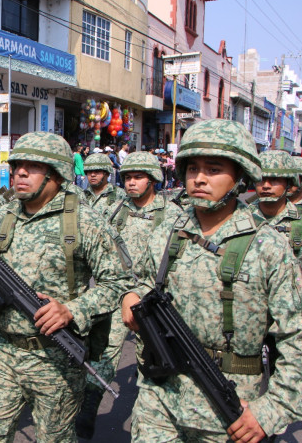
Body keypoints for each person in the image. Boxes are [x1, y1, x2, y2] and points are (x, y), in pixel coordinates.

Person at [120, 119, 302, 441]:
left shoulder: (267, 247)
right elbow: (146, 280)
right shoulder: (169, 233)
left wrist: (269, 412)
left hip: (226, 410)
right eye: (192, 169)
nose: (199, 178)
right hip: (158, 399)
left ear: (240, 176)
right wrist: (131, 296)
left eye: (213, 169)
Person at [0, 132, 131, 442]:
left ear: (56, 173)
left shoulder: (83, 221)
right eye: (17, 166)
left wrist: (71, 310)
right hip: (1, 350)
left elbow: (120, 283)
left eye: (32, 166)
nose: (20, 173)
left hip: (55, 359)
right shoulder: (3, 215)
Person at [75, 150, 181, 438]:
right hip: (118, 295)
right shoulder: (117, 208)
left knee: (151, 364)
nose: (131, 183)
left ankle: (146, 424)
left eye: (138, 177)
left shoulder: (172, 214)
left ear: (154, 179)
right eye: (128, 177)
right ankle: (87, 415)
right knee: (103, 356)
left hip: (152, 303)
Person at [251, 150, 302, 320]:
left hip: (292, 317)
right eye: (260, 179)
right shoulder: (239, 216)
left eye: (274, 179)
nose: (266, 185)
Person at [83, 152, 126, 218]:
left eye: (97, 171)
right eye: (89, 172)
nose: (92, 175)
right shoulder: (82, 195)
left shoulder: (120, 195)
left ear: (107, 173)